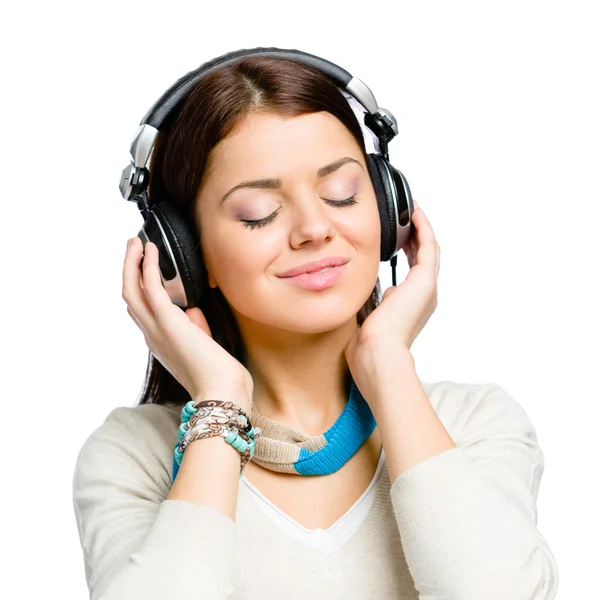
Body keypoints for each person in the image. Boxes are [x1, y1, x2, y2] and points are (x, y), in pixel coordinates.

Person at [72, 49, 559, 599]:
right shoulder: (133, 455)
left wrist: (387, 362)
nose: (314, 228)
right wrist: (220, 401)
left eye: (342, 194)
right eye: (259, 210)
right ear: (181, 252)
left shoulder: (473, 424)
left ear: (385, 205)